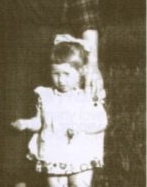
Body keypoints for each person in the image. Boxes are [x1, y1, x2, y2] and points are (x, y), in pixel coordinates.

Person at [0, 0, 104, 186]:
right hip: (13, 62)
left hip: (57, 65)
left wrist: (92, 65)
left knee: (58, 137)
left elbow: (87, 17)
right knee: (12, 145)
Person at [11, 37, 108, 187]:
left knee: (79, 183)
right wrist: (26, 123)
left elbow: (101, 122)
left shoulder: (86, 97)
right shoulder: (46, 96)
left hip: (79, 152)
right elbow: (40, 123)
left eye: (66, 74)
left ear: (81, 71)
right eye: (56, 74)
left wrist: (80, 126)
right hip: (53, 152)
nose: (61, 80)